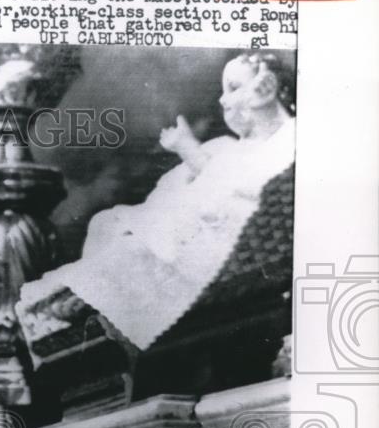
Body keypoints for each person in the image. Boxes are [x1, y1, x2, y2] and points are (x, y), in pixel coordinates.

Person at [17, 51, 296, 353]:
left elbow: (243, 189)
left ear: (265, 88)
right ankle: (88, 293)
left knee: (129, 253)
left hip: (228, 234)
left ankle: (88, 296)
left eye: (234, 87)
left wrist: (189, 150)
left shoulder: (287, 140)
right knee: (107, 223)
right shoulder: (228, 147)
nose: (222, 100)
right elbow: (182, 189)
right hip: (191, 223)